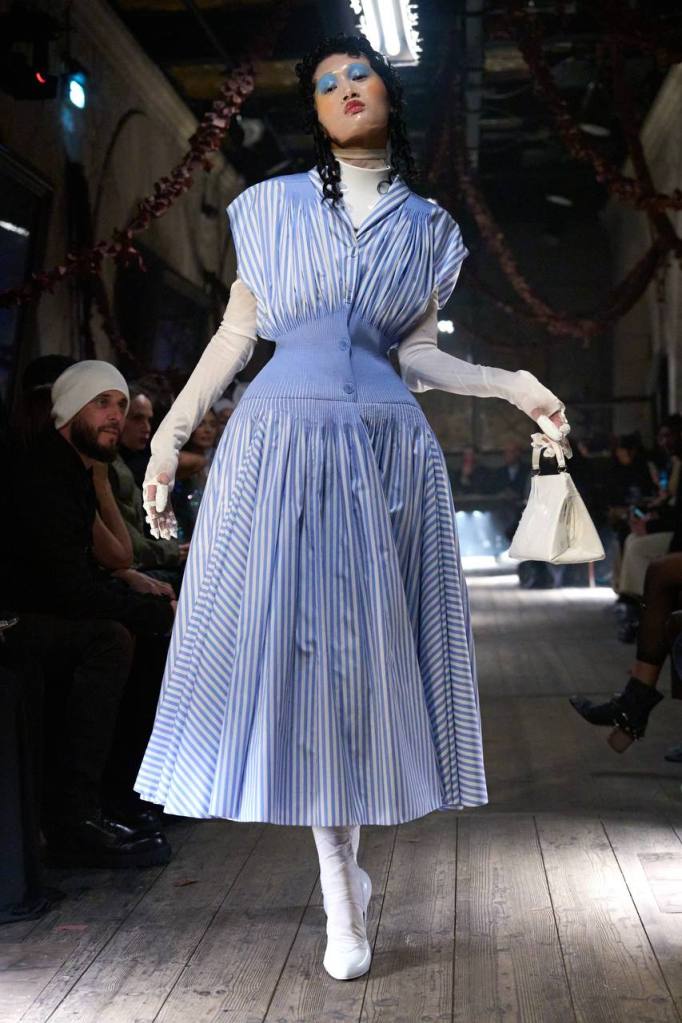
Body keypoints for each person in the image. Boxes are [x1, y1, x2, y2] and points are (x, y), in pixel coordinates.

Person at [135, 34, 570, 981]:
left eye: (357, 74)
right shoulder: (271, 208)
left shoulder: (429, 228)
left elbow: (418, 355)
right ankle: (341, 886)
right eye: (326, 83)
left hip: (384, 449)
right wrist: (168, 437)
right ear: (315, 110)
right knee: (303, 666)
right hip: (281, 446)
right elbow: (235, 337)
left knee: (359, 666)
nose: (343, 89)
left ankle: (345, 882)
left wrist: (511, 383)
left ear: (388, 92)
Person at [6, 361, 176, 867]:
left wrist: (141, 597)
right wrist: (146, 608)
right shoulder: (43, 473)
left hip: (41, 606)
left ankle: (123, 792)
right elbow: (68, 589)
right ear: (68, 409)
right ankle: (75, 816)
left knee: (142, 625)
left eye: (121, 404)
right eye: (102, 403)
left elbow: (104, 564)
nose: (115, 416)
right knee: (112, 637)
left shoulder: (74, 469)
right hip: (12, 618)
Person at [109, 385, 187, 581]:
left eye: (149, 420)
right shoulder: (116, 468)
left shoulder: (141, 462)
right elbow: (132, 545)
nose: (146, 427)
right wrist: (174, 552)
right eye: (137, 418)